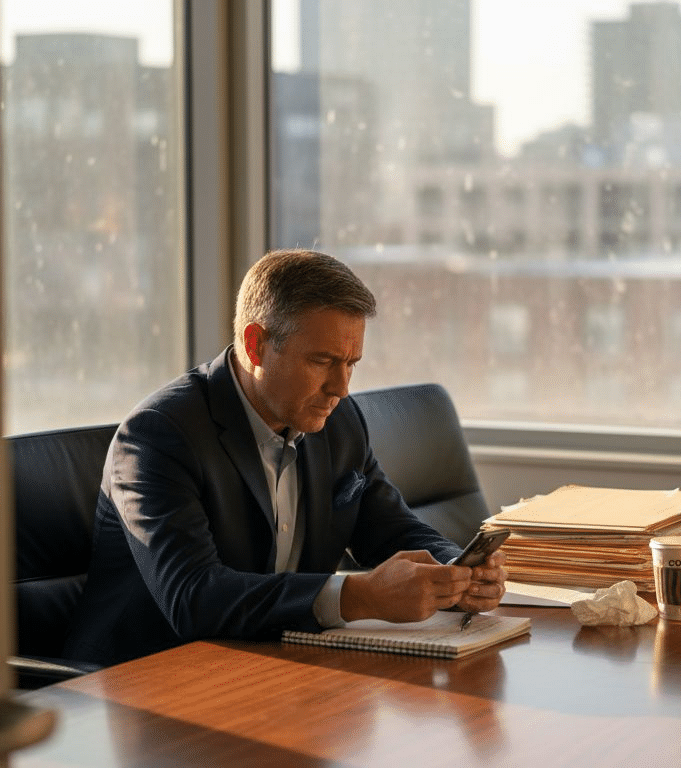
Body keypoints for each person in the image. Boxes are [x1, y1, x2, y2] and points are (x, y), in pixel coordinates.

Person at [64, 249, 507, 665]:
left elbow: (389, 527)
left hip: (278, 666)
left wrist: (456, 571)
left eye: (352, 363)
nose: (341, 387)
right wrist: (357, 596)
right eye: (322, 361)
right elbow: (194, 597)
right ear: (255, 344)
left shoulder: (338, 420)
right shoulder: (158, 435)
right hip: (150, 687)